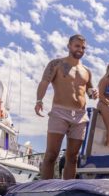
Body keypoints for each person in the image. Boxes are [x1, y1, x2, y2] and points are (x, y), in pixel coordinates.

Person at [35, 34, 95, 180]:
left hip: (80, 116)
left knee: (73, 157)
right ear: (69, 46)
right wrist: (39, 100)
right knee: (51, 155)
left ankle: (67, 189)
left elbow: (89, 91)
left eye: (83, 47)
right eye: (77, 46)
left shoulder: (87, 71)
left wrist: (93, 93)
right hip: (60, 113)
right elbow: (44, 82)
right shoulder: (56, 64)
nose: (80, 49)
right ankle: (46, 189)